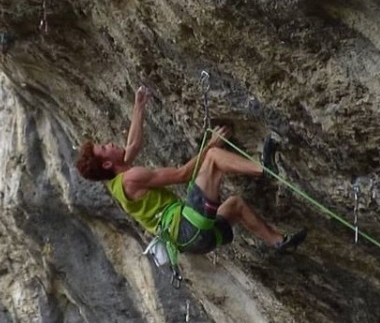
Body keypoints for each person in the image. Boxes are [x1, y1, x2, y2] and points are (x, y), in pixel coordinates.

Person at [75, 85, 307, 257]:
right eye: (104, 148)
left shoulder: (119, 180)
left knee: (236, 204)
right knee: (213, 158)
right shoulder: (132, 177)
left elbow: (133, 144)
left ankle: (279, 242)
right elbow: (181, 175)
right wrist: (211, 144)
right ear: (107, 163)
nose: (110, 143)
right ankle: (263, 168)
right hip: (188, 228)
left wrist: (139, 104)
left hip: (193, 241)